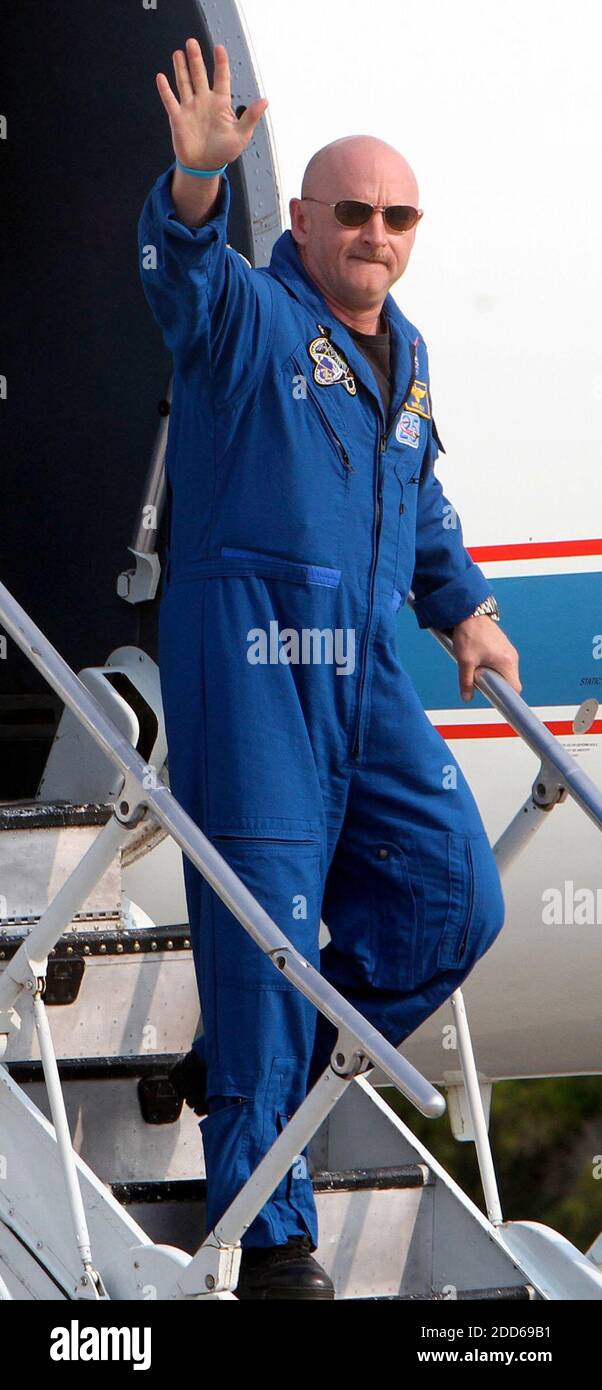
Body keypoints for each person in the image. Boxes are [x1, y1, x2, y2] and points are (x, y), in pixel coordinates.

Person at [138, 38, 521, 1301]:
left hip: (360, 664)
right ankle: (276, 1238)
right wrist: (194, 187)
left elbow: (417, 505)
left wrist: (463, 610)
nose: (373, 233)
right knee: (272, 931)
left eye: (394, 215)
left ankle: (253, 1065)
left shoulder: (404, 358)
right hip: (249, 657)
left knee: (455, 895)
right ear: (300, 219)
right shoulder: (253, 318)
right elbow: (184, 284)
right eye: (349, 211)